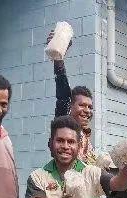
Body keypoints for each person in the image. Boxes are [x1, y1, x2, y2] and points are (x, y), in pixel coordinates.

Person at [47, 29, 96, 163]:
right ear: (70, 106)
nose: (87, 110)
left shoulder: (85, 137)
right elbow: (63, 94)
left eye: (90, 107)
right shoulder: (64, 126)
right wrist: (58, 58)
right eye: (82, 105)